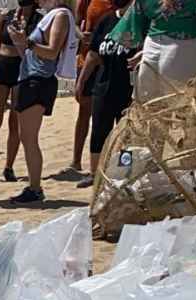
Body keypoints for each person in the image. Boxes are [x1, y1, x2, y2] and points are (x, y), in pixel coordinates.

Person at [9, 0, 77, 203]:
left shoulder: (61, 16)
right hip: (30, 77)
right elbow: (31, 55)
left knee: (30, 139)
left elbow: (52, 51)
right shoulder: (50, 17)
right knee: (26, 137)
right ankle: (34, 185)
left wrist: (27, 41)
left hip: (38, 81)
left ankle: (35, 188)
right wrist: (20, 41)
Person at [109, 0, 196, 102]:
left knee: (173, 97)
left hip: (182, 43)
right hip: (152, 41)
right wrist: (142, 49)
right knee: (144, 95)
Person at [78, 0, 137, 180]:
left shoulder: (137, 22)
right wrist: (81, 80)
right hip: (103, 85)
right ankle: (95, 173)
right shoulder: (106, 20)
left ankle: (125, 172)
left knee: (127, 135)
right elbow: (94, 54)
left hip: (128, 88)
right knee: (98, 131)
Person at [0, 0, 36, 183]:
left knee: (15, 121)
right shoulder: (7, 17)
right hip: (3, 65)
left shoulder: (38, 19)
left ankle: (9, 167)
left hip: (22, 67)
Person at [65, 0, 120, 177]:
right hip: (89, 55)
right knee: (84, 110)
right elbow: (75, 23)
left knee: (116, 114)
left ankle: (112, 164)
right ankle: (77, 161)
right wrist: (82, 36)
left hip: (115, 59)